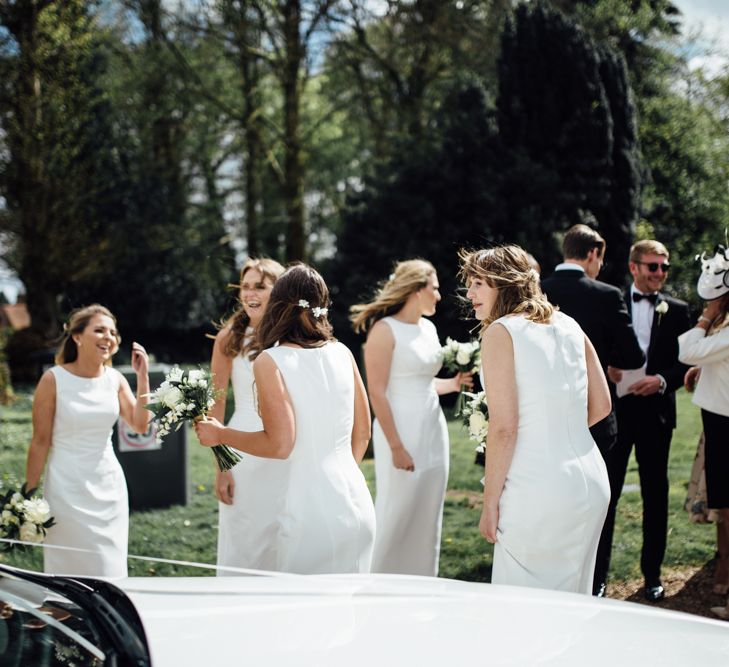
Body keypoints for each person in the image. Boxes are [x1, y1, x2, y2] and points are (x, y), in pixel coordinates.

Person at [196, 264, 375, 574]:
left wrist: (222, 435)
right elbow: (363, 433)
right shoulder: (343, 352)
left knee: (301, 608)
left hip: (308, 506)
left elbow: (280, 445)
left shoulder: (271, 360)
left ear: (278, 302)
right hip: (355, 496)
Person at [460, 245, 611, 594]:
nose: (470, 293)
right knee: (575, 602)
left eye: (478, 283)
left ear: (503, 284)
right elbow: (602, 405)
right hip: (590, 481)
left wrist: (489, 506)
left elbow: (503, 429)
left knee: (523, 610)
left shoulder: (500, 331)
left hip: (537, 491)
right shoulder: (570, 324)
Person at [540, 224, 645, 596]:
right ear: (592, 255)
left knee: (549, 495)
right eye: (600, 258)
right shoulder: (606, 295)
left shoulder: (538, 292)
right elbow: (633, 356)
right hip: (597, 416)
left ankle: (546, 573)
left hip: (544, 418)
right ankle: (594, 580)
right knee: (600, 499)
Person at [349, 259, 471, 576]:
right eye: (435, 288)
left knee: (429, 509)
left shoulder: (428, 328)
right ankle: (378, 580)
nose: (439, 295)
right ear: (417, 290)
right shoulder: (383, 330)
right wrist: (396, 446)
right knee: (398, 508)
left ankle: (421, 581)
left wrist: (454, 384)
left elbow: (421, 380)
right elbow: (377, 391)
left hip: (433, 428)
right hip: (399, 429)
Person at [25, 304, 150, 577]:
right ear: (77, 337)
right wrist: (27, 496)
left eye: (113, 332)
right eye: (100, 330)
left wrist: (142, 377)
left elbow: (140, 425)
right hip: (65, 487)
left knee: (110, 568)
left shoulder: (115, 379)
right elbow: (40, 441)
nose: (109, 337)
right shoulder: (53, 379)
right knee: (66, 569)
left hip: (108, 485)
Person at [606, 239, 691, 601]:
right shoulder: (611, 302)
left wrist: (660, 381)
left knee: (656, 495)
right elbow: (593, 344)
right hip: (615, 413)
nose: (660, 273)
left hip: (656, 413)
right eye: (653, 266)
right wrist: (602, 371)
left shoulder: (677, 310)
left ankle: (652, 575)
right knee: (606, 495)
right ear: (633, 267)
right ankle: (597, 576)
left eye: (664, 267)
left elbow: (686, 361)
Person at [209, 258, 285, 574]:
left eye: (260, 286)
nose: (250, 293)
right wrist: (222, 467)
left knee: (281, 533)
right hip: (241, 449)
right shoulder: (230, 337)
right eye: (246, 286)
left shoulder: (292, 334)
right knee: (245, 537)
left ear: (279, 291)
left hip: (285, 447)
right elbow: (216, 404)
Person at [677, 244, 729, 616]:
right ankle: (723, 570)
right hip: (718, 423)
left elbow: (690, 349)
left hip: (726, 425)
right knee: (724, 506)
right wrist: (704, 369)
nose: (712, 305)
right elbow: (707, 357)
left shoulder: (720, 323)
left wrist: (705, 317)